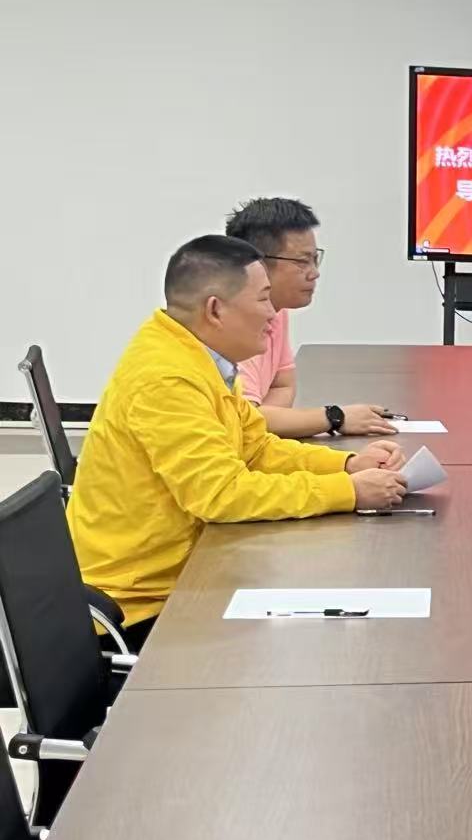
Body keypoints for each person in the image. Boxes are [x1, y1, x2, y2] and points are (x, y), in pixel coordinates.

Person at [68, 235, 407, 642]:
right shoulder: (167, 378)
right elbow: (221, 495)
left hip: (189, 573)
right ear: (215, 309)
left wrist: (348, 465)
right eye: (263, 299)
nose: (272, 314)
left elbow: (256, 447)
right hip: (140, 606)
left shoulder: (198, 355)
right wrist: (349, 491)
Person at [224, 197, 394, 439]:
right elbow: (243, 418)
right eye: (302, 262)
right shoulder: (233, 322)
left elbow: (282, 386)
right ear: (257, 263)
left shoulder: (277, 309)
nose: (314, 273)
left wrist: (269, 421)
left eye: (315, 259)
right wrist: (334, 417)